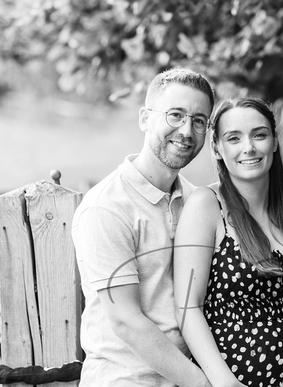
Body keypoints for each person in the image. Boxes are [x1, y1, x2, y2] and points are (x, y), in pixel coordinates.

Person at [173, 97, 283, 387]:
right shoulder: (206, 206)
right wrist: (226, 384)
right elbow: (188, 308)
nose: (249, 147)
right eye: (234, 138)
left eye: (259, 134)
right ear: (217, 148)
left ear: (275, 141)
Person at [72, 68, 215, 386]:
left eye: (199, 121)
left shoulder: (196, 201)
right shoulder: (106, 207)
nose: (187, 131)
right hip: (126, 379)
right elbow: (126, 321)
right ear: (145, 119)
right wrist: (204, 383)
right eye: (175, 115)